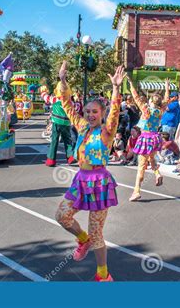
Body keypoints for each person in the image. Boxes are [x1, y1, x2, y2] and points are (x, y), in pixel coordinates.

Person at [55, 61, 124, 282]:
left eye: (94, 111)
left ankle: (103, 275)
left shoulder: (107, 131)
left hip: (100, 183)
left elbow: (115, 112)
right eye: (87, 111)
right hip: (80, 180)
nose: (90, 114)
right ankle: (81, 239)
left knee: (97, 234)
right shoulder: (83, 127)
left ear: (101, 113)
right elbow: (66, 104)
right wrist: (63, 81)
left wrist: (115, 88)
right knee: (62, 216)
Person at [128, 77, 170, 201]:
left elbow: (136, 97)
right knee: (151, 159)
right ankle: (157, 174)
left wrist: (131, 84)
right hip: (155, 137)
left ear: (151, 101)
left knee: (141, 165)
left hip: (145, 137)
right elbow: (166, 100)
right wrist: (166, 87)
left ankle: (136, 191)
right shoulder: (160, 111)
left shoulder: (147, 111)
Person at [40, 82, 75, 167]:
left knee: (54, 141)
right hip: (66, 123)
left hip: (56, 122)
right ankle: (70, 157)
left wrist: (43, 91)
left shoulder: (55, 99)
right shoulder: (70, 102)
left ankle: (51, 160)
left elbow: (45, 97)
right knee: (67, 140)